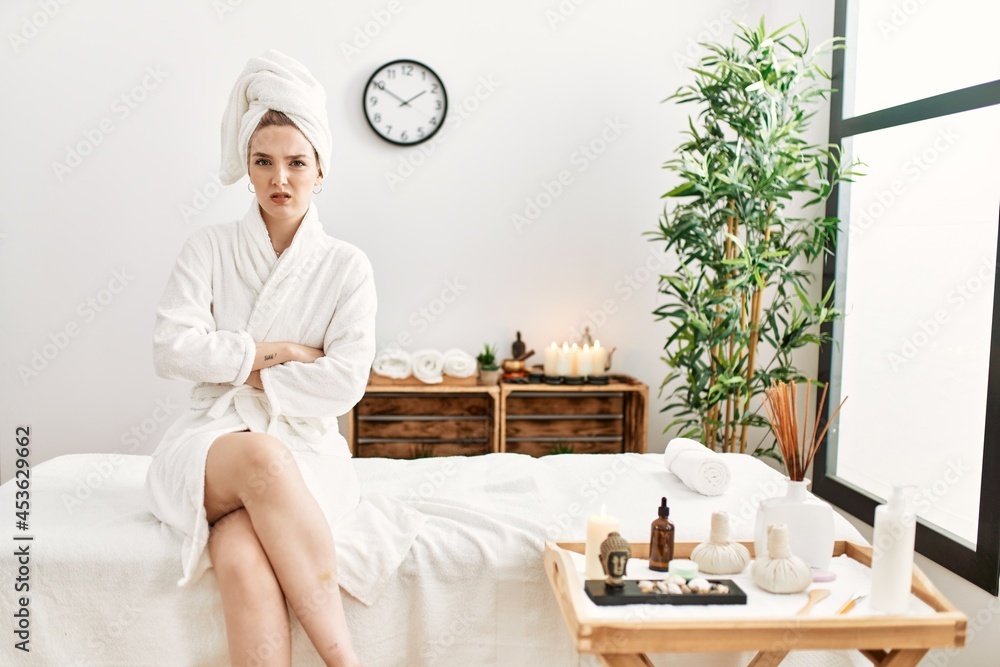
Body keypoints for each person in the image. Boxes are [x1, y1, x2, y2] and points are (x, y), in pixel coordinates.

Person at [143, 50, 374, 667]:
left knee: (243, 557)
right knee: (262, 457)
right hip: (212, 440)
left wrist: (235, 365)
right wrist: (282, 353)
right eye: (263, 161)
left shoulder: (346, 266)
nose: (280, 179)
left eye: (297, 162)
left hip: (308, 450)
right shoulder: (210, 246)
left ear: (321, 169)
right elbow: (171, 348)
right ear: (247, 168)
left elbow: (345, 381)